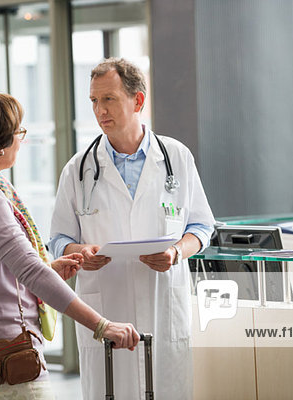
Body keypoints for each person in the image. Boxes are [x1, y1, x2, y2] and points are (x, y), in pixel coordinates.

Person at [0, 92, 140, 400]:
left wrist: (50, 268)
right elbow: (31, 271)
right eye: (19, 133)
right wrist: (102, 326)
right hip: (7, 356)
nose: (22, 140)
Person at [49, 58, 215, 400]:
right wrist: (79, 252)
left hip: (162, 306)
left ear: (138, 101)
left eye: (108, 98)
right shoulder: (78, 169)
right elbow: (58, 239)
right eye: (94, 101)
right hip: (105, 307)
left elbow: (201, 225)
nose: (99, 110)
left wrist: (175, 252)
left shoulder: (176, 157)